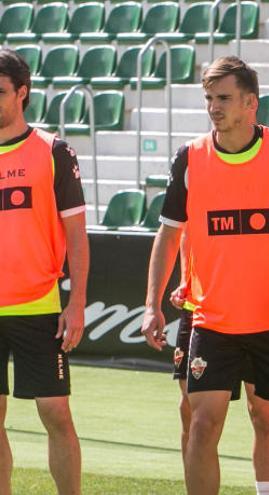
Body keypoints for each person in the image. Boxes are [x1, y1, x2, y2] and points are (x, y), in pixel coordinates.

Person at [140, 56, 269, 495]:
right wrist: (151, 305)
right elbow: (167, 237)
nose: (213, 107)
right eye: (208, 98)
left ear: (250, 103)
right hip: (213, 321)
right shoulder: (190, 157)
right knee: (202, 424)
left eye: (223, 98)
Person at [0, 48, 88, 495]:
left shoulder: (53, 151)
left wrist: (76, 304)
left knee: (55, 412)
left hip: (39, 305)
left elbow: (77, 235)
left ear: (22, 93)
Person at [169, 233, 269, 495]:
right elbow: (184, 231)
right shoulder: (188, 189)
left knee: (263, 410)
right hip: (200, 309)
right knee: (192, 413)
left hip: (257, 310)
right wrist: (185, 280)